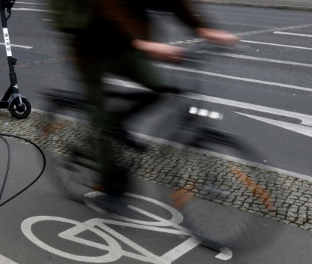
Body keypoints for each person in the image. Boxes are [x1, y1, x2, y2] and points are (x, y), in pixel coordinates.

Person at [65, 0, 238, 198]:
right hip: (93, 49)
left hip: (128, 47)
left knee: (162, 88)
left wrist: (203, 28)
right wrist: (141, 43)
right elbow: (106, 9)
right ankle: (107, 180)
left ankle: (115, 123)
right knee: (101, 118)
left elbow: (174, 2)